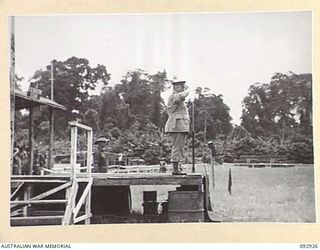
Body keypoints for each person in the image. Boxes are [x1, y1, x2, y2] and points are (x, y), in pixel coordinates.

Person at [165, 81, 190, 175]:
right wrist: (188, 89)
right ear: (176, 88)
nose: (183, 88)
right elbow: (181, 97)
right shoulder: (175, 96)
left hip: (179, 125)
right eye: (181, 87)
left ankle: (177, 167)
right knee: (177, 146)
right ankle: (175, 169)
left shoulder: (175, 96)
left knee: (179, 147)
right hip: (177, 125)